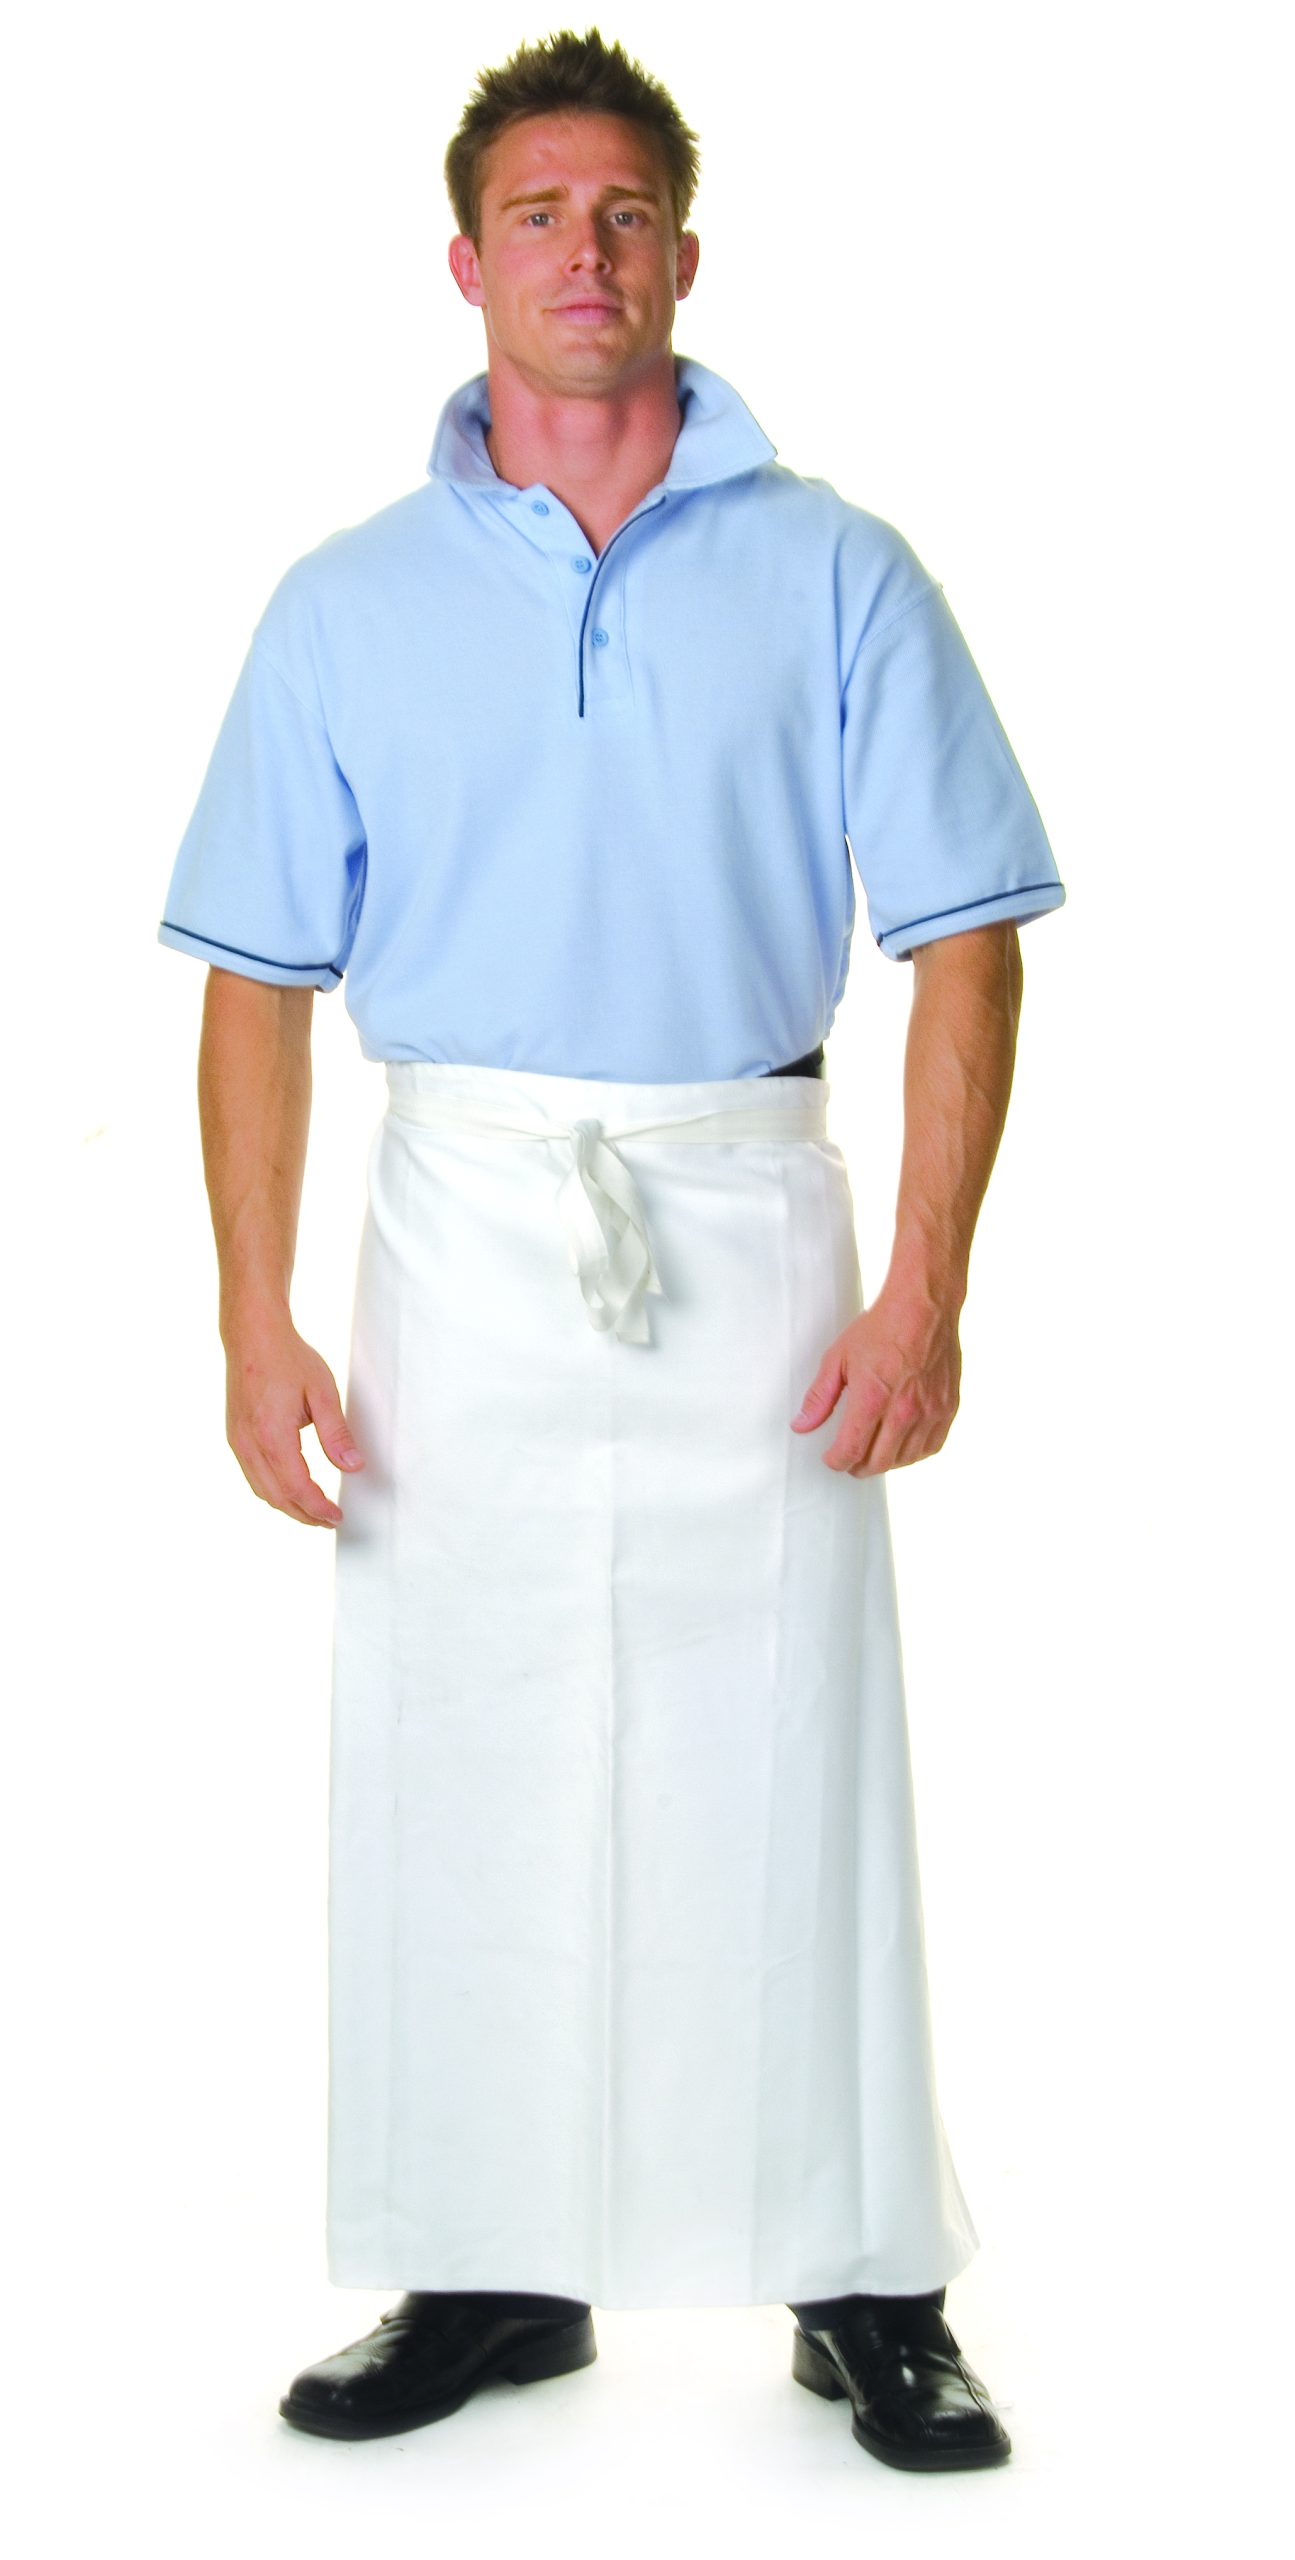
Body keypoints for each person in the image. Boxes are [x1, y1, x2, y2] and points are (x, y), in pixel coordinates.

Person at [159, 27, 1065, 2473]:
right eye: (540, 215)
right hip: (454, 1231)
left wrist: (928, 1284)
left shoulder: (840, 568)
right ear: (466, 265)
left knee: (796, 1757)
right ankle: (488, 2260)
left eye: (626, 212)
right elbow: (256, 979)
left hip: (748, 1211)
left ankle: (865, 2275)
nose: (587, 250)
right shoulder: (344, 603)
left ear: (684, 253)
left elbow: (965, 937)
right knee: (459, 1750)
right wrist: (251, 1312)